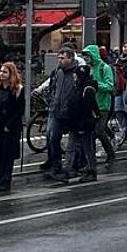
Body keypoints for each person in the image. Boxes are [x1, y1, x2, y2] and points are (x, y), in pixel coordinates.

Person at [0, 62, 24, 194]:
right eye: (1, 72)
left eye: (5, 72)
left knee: (7, 154)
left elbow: (19, 110)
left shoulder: (18, 89)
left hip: (10, 127)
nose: (2, 74)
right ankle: (0, 171)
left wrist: (10, 125)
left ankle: (5, 180)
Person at [43, 48, 80, 180]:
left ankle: (74, 166)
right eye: (58, 58)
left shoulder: (77, 72)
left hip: (71, 112)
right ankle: (56, 165)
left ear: (70, 58)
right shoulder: (58, 72)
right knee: (53, 138)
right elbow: (54, 88)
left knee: (74, 142)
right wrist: (52, 102)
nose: (59, 60)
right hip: (56, 110)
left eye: (62, 58)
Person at [81, 45, 116, 164]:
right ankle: (90, 159)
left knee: (99, 131)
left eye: (87, 55)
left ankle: (110, 153)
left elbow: (109, 86)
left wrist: (95, 84)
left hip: (102, 105)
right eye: (84, 56)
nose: (85, 58)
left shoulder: (104, 68)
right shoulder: (87, 68)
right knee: (91, 132)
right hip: (90, 105)